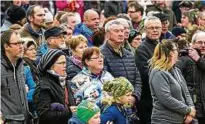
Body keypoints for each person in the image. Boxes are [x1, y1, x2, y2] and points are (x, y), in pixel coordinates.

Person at [149, 39, 195, 123]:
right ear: (171, 52)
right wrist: (187, 110)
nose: (178, 52)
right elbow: (166, 99)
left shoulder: (176, 70)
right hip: (164, 120)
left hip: (180, 119)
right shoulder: (158, 73)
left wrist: (191, 112)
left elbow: (186, 92)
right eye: (176, 49)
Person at [101, 19, 142, 105]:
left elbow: (137, 77)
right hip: (113, 103)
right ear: (107, 35)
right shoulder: (101, 54)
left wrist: (135, 96)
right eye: (116, 31)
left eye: (122, 31)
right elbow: (104, 81)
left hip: (131, 102)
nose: (120, 34)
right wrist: (121, 98)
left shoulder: (129, 54)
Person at [33, 49, 76, 124]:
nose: (65, 66)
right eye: (61, 63)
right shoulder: (44, 86)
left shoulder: (65, 81)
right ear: (50, 66)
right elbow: (44, 115)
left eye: (65, 63)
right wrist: (68, 111)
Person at [135, 16, 162, 124]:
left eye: (157, 27)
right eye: (151, 28)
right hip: (148, 99)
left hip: (160, 98)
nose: (155, 30)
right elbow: (145, 74)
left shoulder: (162, 45)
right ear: (145, 30)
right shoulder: (142, 49)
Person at [176, 31, 205, 124]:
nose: (203, 45)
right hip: (192, 109)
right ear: (192, 44)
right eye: (200, 42)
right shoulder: (184, 59)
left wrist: (199, 60)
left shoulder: (200, 60)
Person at [1, 30, 29, 123]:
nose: (21, 46)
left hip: (24, 119)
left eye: (21, 42)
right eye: (17, 43)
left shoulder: (20, 65)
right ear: (6, 46)